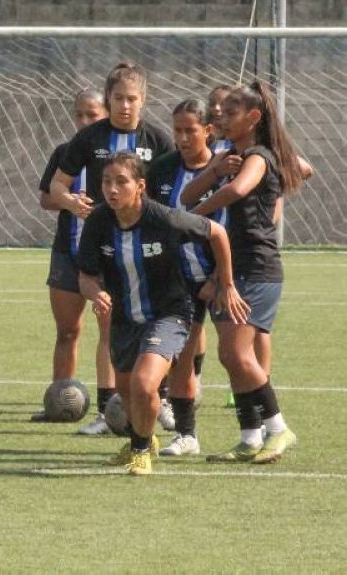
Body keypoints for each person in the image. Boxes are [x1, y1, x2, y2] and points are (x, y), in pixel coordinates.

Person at [76, 151, 248, 475]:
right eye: (106, 181)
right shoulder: (99, 222)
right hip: (125, 320)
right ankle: (145, 438)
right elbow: (85, 276)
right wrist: (95, 292)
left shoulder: (164, 219)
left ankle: (140, 451)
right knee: (127, 392)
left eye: (121, 182)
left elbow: (217, 233)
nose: (112, 189)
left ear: (140, 186)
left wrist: (225, 282)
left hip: (169, 314)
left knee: (144, 384)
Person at [48, 61, 174, 427]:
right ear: (109, 98)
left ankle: (159, 399)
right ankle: (109, 409)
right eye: (118, 98)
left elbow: (169, 192)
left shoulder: (157, 141)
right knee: (107, 325)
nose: (125, 105)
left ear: (143, 99)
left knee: (141, 327)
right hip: (97, 248)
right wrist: (71, 201)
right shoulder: (89, 138)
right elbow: (57, 184)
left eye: (132, 99)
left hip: (140, 254)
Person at [186, 82, 303, 464]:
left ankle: (278, 428)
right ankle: (251, 437)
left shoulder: (259, 156)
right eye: (219, 111)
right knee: (230, 355)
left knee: (238, 353)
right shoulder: (229, 155)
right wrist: (215, 170)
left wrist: (194, 215)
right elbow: (188, 196)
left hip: (258, 268)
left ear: (253, 118)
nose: (219, 115)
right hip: (234, 266)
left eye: (230, 111)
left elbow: (237, 191)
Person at [146, 98, 227, 455]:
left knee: (239, 354)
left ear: (208, 130)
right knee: (181, 352)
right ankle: (187, 434)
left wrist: (218, 278)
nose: (181, 137)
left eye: (189, 130)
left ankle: (259, 428)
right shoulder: (162, 170)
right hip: (175, 278)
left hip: (220, 278)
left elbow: (231, 230)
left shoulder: (228, 167)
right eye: (177, 130)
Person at [36, 88, 115, 432]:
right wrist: (69, 202)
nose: (85, 121)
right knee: (67, 330)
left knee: (110, 331)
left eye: (92, 115)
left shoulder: (113, 156)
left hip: (105, 256)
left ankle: (111, 406)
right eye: (80, 114)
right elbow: (45, 198)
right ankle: (59, 398)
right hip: (67, 252)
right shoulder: (64, 153)